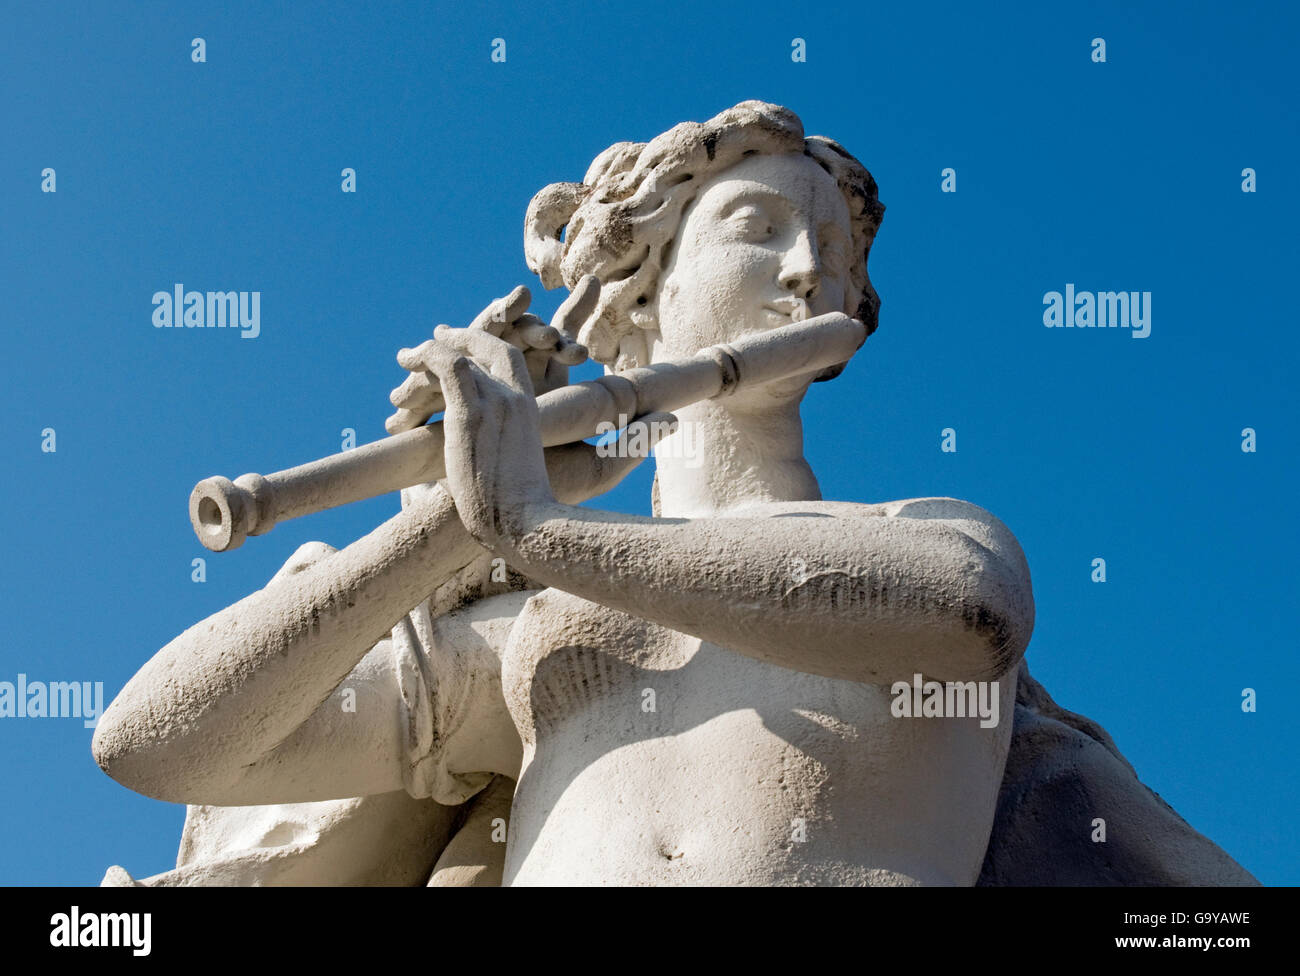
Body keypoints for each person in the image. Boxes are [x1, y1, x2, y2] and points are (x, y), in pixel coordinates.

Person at [95, 101, 1254, 887]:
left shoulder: (923, 537)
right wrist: (450, 524)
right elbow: (153, 743)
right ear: (642, 295)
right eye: (760, 230)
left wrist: (538, 530)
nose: (811, 269)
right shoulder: (536, 622)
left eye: (835, 250)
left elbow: (965, 614)